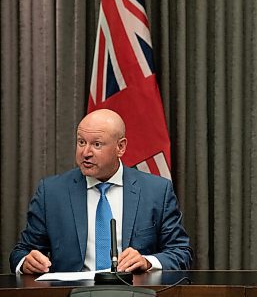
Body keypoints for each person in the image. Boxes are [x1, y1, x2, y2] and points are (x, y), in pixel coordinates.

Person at [10, 109, 193, 273]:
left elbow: (181, 253)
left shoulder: (156, 191)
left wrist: (147, 262)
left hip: (134, 292)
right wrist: (26, 262)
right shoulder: (51, 192)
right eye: (81, 142)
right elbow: (21, 252)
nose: (85, 152)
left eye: (97, 144)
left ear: (120, 147)